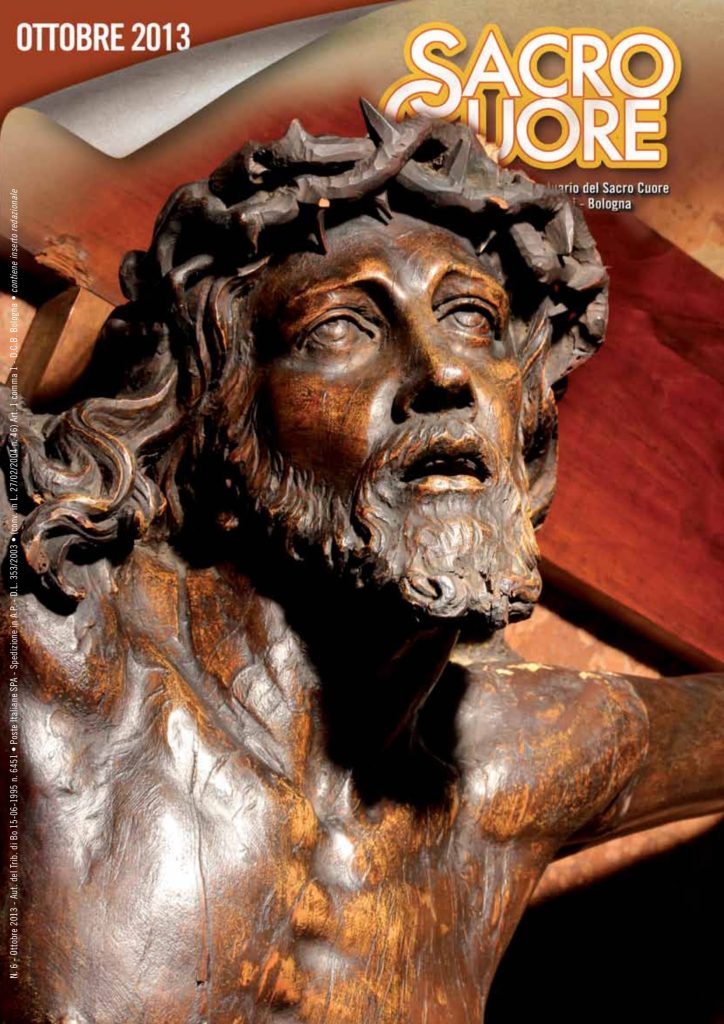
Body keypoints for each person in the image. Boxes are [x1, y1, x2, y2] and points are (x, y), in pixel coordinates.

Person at [1, 103, 721, 1024]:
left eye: (472, 320)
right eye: (339, 330)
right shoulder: (54, 639)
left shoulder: (519, 765)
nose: (444, 373)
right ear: (222, 422)